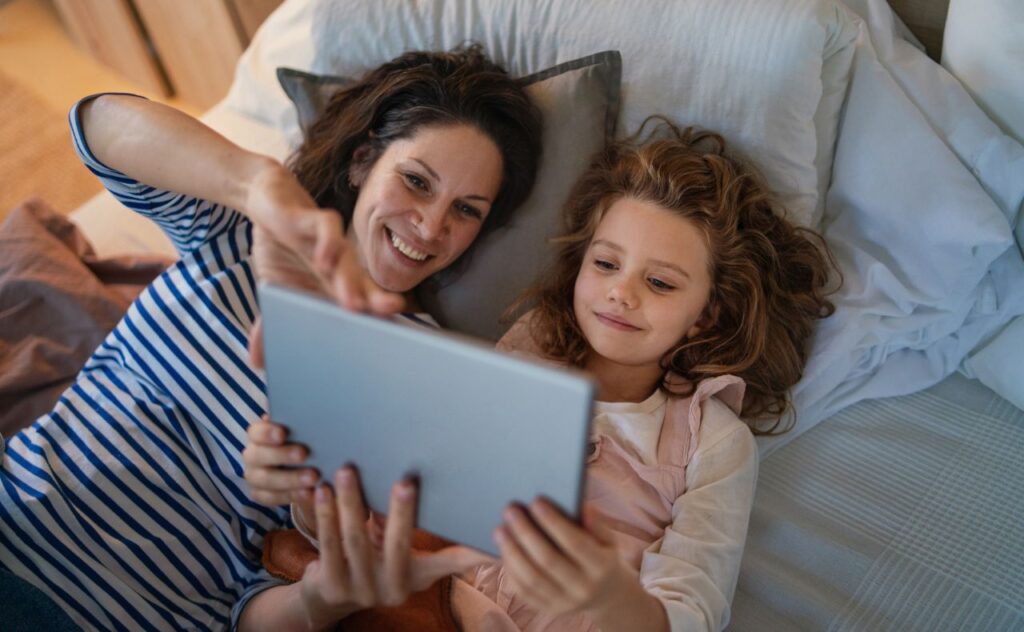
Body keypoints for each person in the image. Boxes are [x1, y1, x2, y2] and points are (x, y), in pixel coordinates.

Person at [0, 46, 542, 631]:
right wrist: (257, 183)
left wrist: (324, 594)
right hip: (18, 522)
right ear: (362, 161)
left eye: (466, 210)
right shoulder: (240, 230)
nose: (432, 226)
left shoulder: (431, 379)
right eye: (415, 181)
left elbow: (256, 609)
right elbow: (94, 124)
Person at [243, 120, 837, 630]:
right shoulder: (528, 346)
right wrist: (312, 480)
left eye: (659, 283)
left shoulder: (713, 441)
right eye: (605, 263)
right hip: (426, 598)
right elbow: (412, 489)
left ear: (707, 316)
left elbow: (692, 611)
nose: (620, 293)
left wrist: (612, 595)